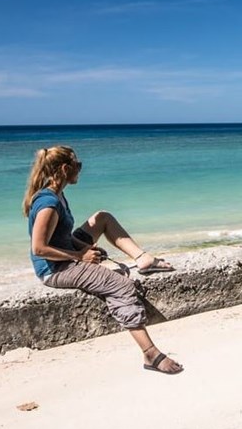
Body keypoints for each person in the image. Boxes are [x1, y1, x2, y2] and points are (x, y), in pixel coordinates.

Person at [22, 145, 183, 374]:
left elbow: (61, 236)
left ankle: (143, 258)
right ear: (65, 169)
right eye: (78, 165)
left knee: (102, 218)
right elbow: (39, 248)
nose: (80, 170)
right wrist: (79, 256)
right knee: (121, 286)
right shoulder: (48, 203)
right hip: (55, 269)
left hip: (67, 252)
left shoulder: (59, 194)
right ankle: (150, 353)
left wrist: (83, 246)